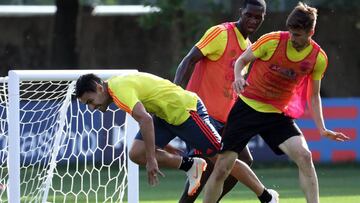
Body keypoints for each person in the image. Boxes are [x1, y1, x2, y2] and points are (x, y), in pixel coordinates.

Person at [202, 2, 350, 203]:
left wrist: (322, 129)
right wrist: (238, 77)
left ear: (311, 32)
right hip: (247, 108)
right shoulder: (271, 41)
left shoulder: (318, 58)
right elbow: (241, 61)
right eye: (290, 32)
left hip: (276, 115)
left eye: (298, 35)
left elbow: (313, 95)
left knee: (305, 157)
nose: (292, 38)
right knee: (221, 169)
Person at [75, 72, 279, 203]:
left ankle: (267, 196)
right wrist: (162, 150)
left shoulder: (118, 90)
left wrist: (153, 159)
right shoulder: (116, 88)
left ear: (99, 88)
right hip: (166, 116)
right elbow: (151, 105)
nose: (92, 107)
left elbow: (145, 119)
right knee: (137, 153)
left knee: (223, 158)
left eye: (90, 101)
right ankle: (191, 165)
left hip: (187, 111)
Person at [173, 0, 266, 202]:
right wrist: (175, 93)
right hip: (202, 114)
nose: (253, 20)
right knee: (205, 167)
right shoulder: (221, 33)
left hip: (228, 120)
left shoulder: (249, 48)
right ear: (241, 12)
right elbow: (189, 60)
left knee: (243, 161)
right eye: (249, 15)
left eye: (258, 17)